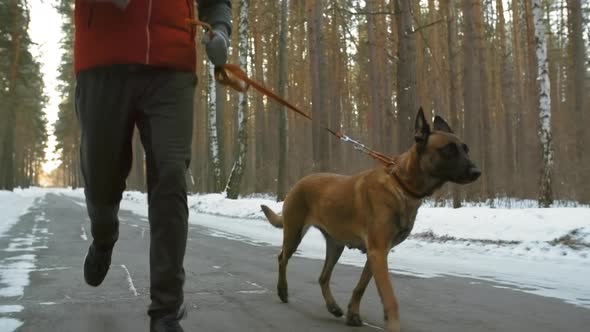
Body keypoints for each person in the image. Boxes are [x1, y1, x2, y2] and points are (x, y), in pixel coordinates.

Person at [73, 1, 231, 331]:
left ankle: (166, 312)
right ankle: (104, 235)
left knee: (171, 175)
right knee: (101, 178)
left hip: (171, 63)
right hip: (103, 58)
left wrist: (220, 28)